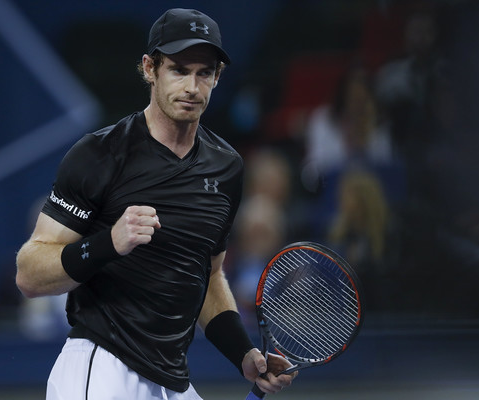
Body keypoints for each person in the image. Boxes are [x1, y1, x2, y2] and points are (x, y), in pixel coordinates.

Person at [15, 8, 295, 400]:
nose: (192, 87)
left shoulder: (227, 167)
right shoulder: (99, 154)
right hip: (101, 365)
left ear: (218, 77)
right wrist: (107, 243)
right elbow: (29, 273)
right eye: (179, 69)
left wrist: (243, 352)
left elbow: (209, 276)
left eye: (205, 73)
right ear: (150, 69)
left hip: (171, 378)